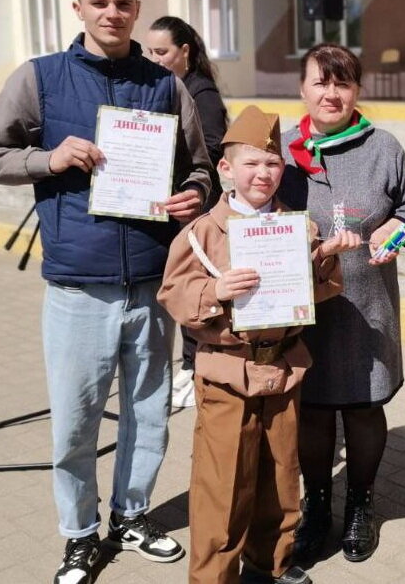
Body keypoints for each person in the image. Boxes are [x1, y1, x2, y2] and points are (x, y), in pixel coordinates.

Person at [0, 0, 214, 584]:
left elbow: (200, 166)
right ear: (78, 7)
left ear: (137, 8)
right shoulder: (41, 78)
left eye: (123, 3)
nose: (112, 13)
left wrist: (193, 193)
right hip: (78, 286)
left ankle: (131, 516)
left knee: (148, 414)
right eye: (100, 3)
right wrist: (48, 159)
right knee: (76, 422)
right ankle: (79, 535)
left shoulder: (165, 85)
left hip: (151, 282)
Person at [158, 105, 359, 584]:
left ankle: (271, 564)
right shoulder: (203, 231)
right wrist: (215, 290)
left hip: (283, 369)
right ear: (226, 169)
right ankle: (213, 577)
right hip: (227, 374)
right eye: (251, 163)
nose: (263, 173)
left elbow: (313, 296)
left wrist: (324, 258)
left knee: (280, 475)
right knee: (223, 485)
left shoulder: (297, 227)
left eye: (272, 163)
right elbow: (173, 294)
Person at [278, 43, 405, 565]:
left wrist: (397, 228)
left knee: (364, 408)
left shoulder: (383, 147)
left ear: (357, 90)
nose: (331, 93)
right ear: (302, 88)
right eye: (321, 82)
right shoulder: (282, 148)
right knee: (313, 412)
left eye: (342, 83)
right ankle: (317, 506)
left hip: (368, 307)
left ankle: (361, 504)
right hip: (303, 310)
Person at [147, 15, 229, 409]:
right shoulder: (163, 88)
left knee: (197, 285)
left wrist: (169, 164)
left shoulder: (202, 94)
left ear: (185, 51)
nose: (155, 59)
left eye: (162, 51)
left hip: (198, 207)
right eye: (150, 52)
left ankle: (198, 366)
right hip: (177, 206)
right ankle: (189, 363)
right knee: (183, 284)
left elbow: (211, 149)